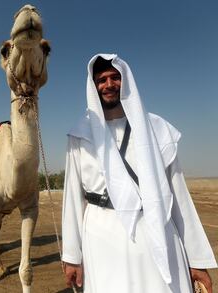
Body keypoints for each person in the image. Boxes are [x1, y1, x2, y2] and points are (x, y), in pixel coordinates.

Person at [61, 54, 217, 293]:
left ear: (126, 82)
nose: (109, 84)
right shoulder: (80, 134)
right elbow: (72, 197)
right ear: (93, 87)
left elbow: (179, 195)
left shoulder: (157, 128)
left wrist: (196, 259)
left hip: (155, 233)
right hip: (102, 239)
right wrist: (72, 255)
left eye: (115, 77)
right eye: (101, 80)